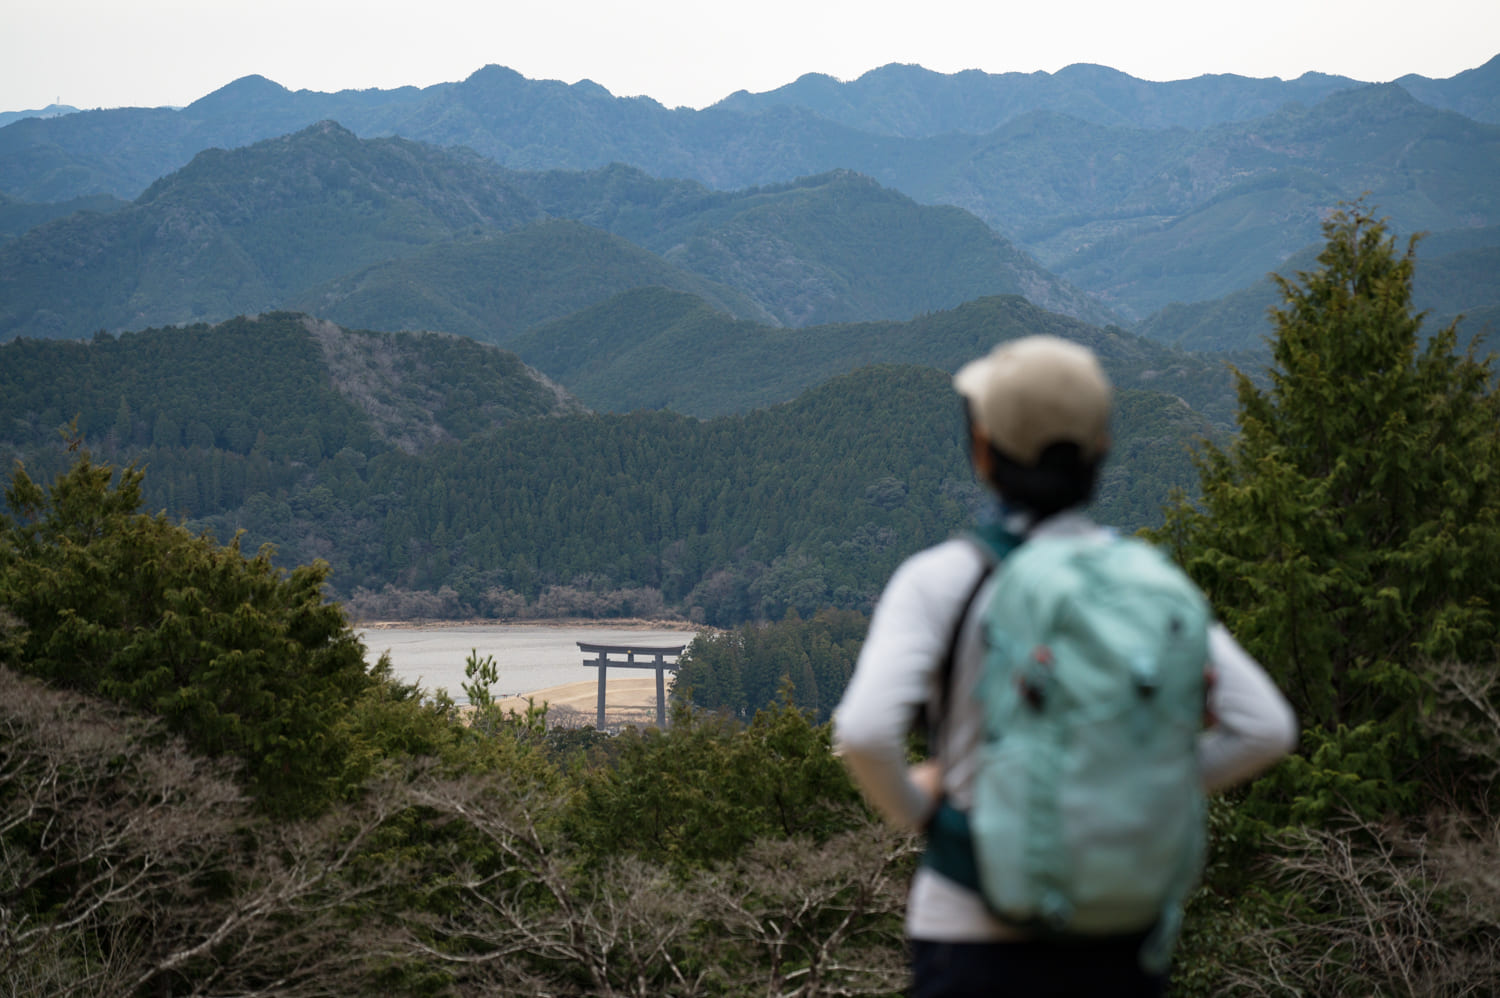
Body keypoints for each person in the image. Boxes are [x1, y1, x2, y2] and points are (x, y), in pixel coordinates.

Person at [832, 335, 1297, 997]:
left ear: (983, 447)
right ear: (1101, 446)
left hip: (970, 928)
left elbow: (865, 733)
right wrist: (1128, 788)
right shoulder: (1149, 584)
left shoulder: (944, 579)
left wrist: (925, 813)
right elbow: (1266, 729)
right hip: (1118, 934)